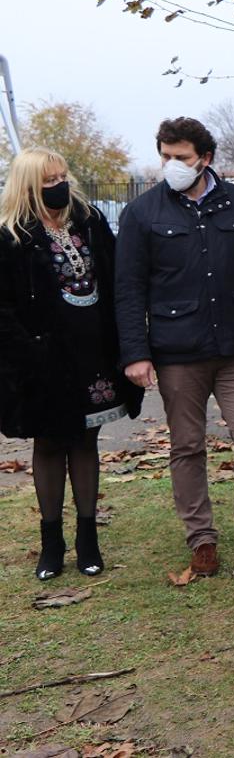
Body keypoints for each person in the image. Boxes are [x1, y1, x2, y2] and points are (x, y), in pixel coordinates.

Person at [115, 117, 234, 577]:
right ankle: (202, 541)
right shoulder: (143, 212)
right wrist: (135, 352)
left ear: (205, 158)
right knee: (187, 445)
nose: (172, 165)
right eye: (166, 157)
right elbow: (128, 288)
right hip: (176, 351)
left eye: (182, 158)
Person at [0, 148, 144, 580]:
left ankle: (87, 539)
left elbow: (118, 277)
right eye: (49, 180)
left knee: (84, 440)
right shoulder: (11, 236)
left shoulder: (90, 220)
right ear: (28, 185)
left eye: (62, 175)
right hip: (40, 359)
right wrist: (30, 352)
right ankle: (52, 543)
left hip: (93, 352)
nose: (60, 184)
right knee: (48, 443)